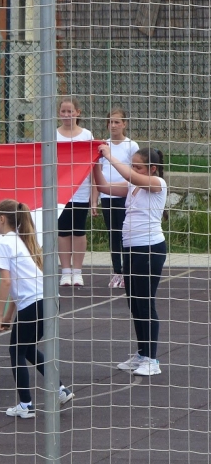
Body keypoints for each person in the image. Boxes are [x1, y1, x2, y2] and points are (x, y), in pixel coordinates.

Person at [0, 199, 75, 418]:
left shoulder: (3, 242)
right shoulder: (21, 241)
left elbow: (7, 283)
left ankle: (26, 405)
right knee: (27, 349)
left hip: (35, 304)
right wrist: (10, 316)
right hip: (50, 302)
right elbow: (20, 286)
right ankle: (60, 390)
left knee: (16, 351)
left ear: (1, 219)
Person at [93, 147, 167, 377]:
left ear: (152, 169)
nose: (134, 170)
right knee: (134, 303)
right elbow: (105, 187)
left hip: (150, 250)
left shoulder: (157, 183)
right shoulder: (133, 186)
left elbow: (127, 175)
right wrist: (94, 164)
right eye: (133, 165)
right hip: (131, 250)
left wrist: (109, 156)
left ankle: (153, 360)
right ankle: (142, 354)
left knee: (145, 303)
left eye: (139, 166)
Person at [56, 97, 97, 287]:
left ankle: (77, 271)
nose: (66, 115)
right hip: (60, 191)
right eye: (63, 111)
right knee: (63, 231)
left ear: (77, 113)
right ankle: (65, 271)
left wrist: (94, 197)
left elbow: (93, 167)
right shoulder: (53, 135)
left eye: (70, 111)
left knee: (78, 230)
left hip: (81, 190)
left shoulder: (86, 135)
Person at [99, 108, 139, 289]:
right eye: (110, 122)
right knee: (113, 234)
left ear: (124, 124)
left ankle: (128, 271)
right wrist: (95, 199)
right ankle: (117, 271)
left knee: (126, 233)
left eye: (117, 122)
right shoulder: (103, 145)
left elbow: (136, 172)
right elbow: (97, 173)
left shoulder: (131, 146)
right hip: (107, 196)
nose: (113, 125)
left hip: (124, 196)